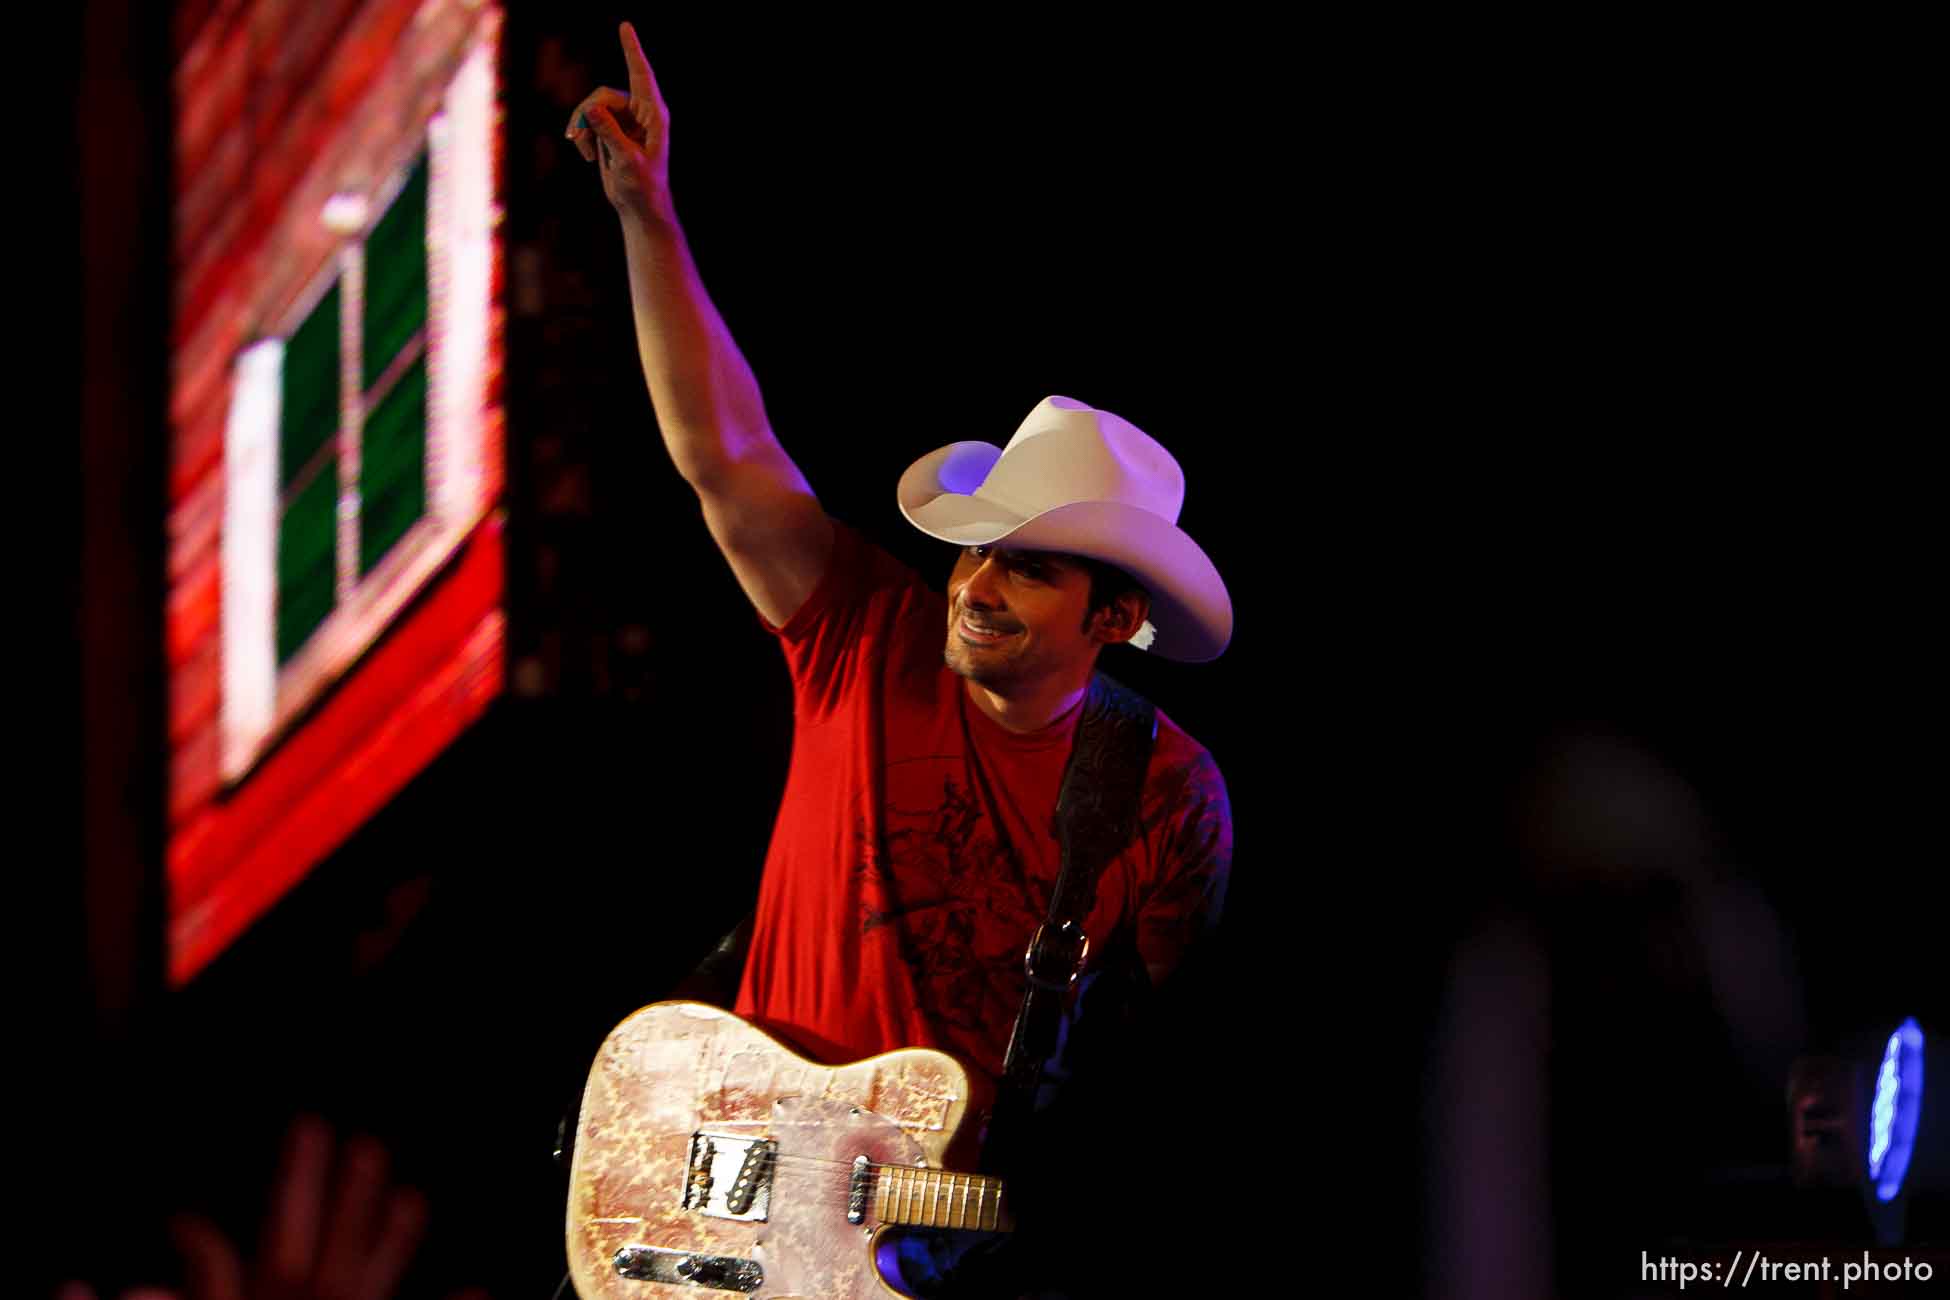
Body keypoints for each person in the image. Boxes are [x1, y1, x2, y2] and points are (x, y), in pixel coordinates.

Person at [565, 23, 1233, 1291]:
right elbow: (727, 455)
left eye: (1030, 566)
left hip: (931, 1255)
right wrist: (650, 216)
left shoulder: (1165, 793)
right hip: (723, 1205)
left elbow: (1157, 1081)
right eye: (978, 550)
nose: (975, 584)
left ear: (1114, 617)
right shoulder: (864, 633)